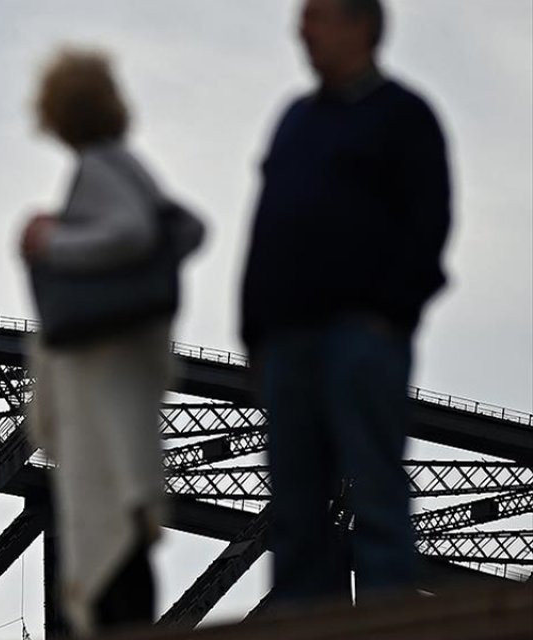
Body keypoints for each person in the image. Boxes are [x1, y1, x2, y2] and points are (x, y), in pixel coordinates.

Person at [241, 0, 451, 606]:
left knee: (374, 493)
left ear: (362, 25)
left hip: (362, 336)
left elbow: (429, 221)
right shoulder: (294, 120)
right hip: (288, 343)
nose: (300, 28)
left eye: (317, 15)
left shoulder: (404, 116)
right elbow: (266, 229)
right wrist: (256, 333)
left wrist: (389, 315)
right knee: (297, 506)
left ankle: (387, 619)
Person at [19, 48, 203, 636]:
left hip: (102, 385)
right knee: (128, 528)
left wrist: (53, 244)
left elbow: (133, 231)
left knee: (106, 531)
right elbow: (186, 227)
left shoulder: (97, 168)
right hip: (129, 374)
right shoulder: (129, 165)